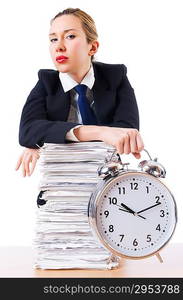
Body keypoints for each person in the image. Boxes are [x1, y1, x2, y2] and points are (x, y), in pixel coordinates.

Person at [15, 7, 144, 177]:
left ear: (92, 47)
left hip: (107, 176)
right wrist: (100, 131)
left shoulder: (116, 76)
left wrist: (43, 138)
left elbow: (126, 131)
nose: (59, 47)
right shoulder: (47, 81)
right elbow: (28, 131)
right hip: (62, 179)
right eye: (53, 39)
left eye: (70, 36)